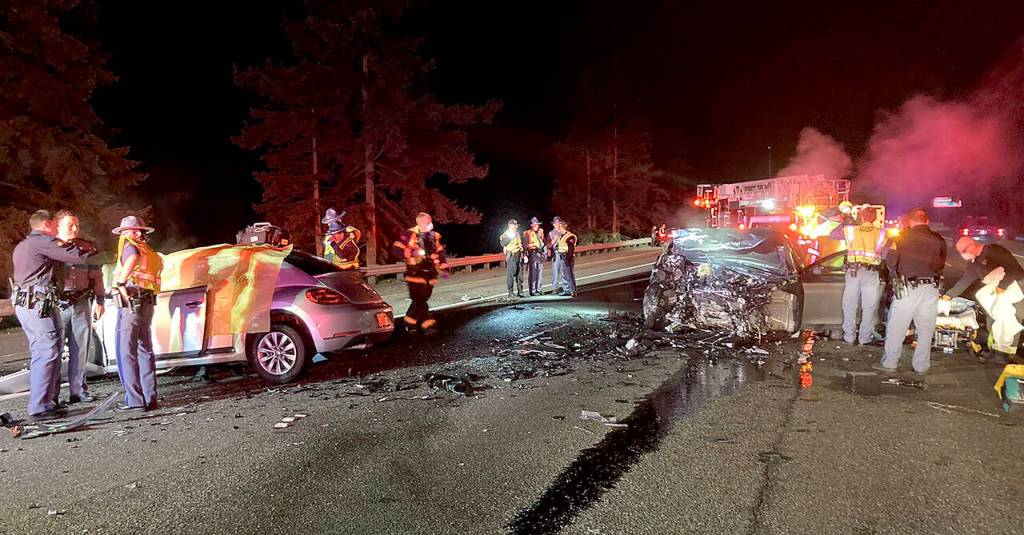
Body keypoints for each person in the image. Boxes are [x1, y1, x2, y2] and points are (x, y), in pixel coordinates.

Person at [10, 210, 94, 420]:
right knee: (47, 351)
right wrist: (87, 246)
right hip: (37, 304)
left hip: (31, 304)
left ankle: (47, 402)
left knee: (46, 351)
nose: (58, 229)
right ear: (47, 224)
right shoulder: (42, 241)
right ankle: (39, 407)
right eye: (56, 224)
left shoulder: (25, 244)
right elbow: (76, 256)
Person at [875, 208, 946, 379]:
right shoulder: (939, 239)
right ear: (927, 221)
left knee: (897, 327)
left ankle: (890, 363)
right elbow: (941, 264)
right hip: (931, 288)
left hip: (908, 289)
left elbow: (890, 261)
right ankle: (921, 366)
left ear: (911, 221)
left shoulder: (901, 237)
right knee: (926, 330)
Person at [111, 215, 163, 411]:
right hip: (147, 301)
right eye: (122, 232)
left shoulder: (130, 247)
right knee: (145, 350)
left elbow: (132, 259)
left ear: (136, 233)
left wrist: (120, 282)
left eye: (126, 231)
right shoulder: (149, 251)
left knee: (127, 351)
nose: (123, 235)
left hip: (132, 300)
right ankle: (150, 398)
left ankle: (135, 401)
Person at [54, 210, 104, 404]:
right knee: (54, 351)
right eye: (70, 225)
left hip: (81, 303)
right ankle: (52, 396)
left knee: (81, 349)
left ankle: (78, 390)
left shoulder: (85, 248)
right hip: (57, 304)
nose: (75, 228)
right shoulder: (50, 247)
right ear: (58, 226)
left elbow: (96, 275)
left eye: (77, 225)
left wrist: (100, 301)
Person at [945, 236, 1024, 358]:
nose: (962, 255)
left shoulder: (994, 251)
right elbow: (966, 280)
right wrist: (948, 295)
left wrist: (1002, 286)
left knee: (1010, 319)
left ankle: (1007, 354)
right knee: (993, 320)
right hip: (997, 292)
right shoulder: (975, 263)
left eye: (963, 251)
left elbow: (1012, 268)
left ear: (972, 246)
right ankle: (994, 349)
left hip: (1016, 286)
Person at [834, 207, 887, 345]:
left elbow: (832, 234)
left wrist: (846, 221)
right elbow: (885, 253)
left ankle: (849, 337)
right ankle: (864, 338)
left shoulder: (852, 230)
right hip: (871, 272)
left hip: (854, 272)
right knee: (869, 307)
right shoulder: (881, 233)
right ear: (875, 218)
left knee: (849, 305)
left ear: (861, 217)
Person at [392, 212, 447, 333]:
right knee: (419, 299)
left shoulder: (434, 236)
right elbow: (396, 250)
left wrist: (443, 263)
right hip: (415, 273)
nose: (431, 223)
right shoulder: (408, 235)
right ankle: (428, 323)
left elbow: (440, 250)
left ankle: (409, 322)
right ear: (420, 222)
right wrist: (412, 253)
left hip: (430, 273)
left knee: (422, 299)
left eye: (430, 221)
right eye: (428, 221)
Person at [500, 219, 525, 298]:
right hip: (511, 255)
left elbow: (520, 244)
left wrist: (523, 254)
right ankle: (510, 293)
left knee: (519, 274)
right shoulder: (505, 234)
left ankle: (520, 291)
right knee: (510, 275)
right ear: (510, 226)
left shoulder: (517, 233)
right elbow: (502, 243)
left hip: (518, 255)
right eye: (515, 226)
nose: (516, 227)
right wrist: (510, 236)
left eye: (516, 226)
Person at [554, 219, 578, 297]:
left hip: (567, 257)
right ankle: (567, 290)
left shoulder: (570, 236)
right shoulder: (561, 236)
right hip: (562, 257)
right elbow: (559, 245)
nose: (558, 228)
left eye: (559, 227)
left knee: (569, 274)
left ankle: (573, 291)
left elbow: (571, 249)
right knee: (564, 275)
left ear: (562, 227)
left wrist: (568, 259)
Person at [523, 217, 546, 296]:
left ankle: (538, 289)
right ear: (532, 225)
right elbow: (525, 245)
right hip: (532, 253)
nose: (537, 226)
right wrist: (525, 255)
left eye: (538, 225)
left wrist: (544, 250)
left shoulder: (541, 231)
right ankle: (532, 290)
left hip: (540, 253)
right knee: (533, 272)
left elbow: (543, 241)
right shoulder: (527, 233)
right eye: (535, 225)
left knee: (540, 271)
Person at [548, 216, 564, 294]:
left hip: (564, 253)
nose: (558, 224)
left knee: (564, 271)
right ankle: (555, 288)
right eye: (556, 223)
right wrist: (555, 238)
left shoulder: (564, 231)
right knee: (555, 271)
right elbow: (549, 245)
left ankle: (566, 287)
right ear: (554, 224)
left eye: (559, 222)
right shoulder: (551, 233)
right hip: (556, 253)